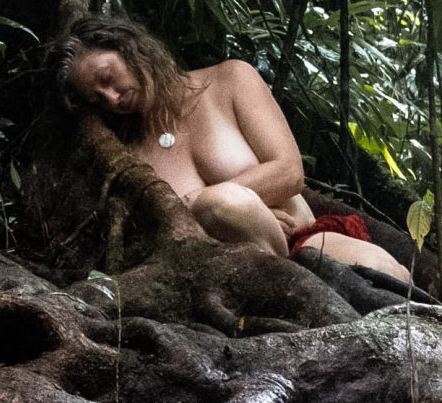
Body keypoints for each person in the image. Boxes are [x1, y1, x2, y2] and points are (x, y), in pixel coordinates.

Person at [53, 14, 412, 284]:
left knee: (387, 273)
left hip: (303, 242)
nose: (113, 98)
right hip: (221, 276)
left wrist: (216, 204)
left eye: (107, 77)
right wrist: (226, 211)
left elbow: (289, 172)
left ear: (128, 47)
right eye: (98, 99)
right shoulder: (124, 152)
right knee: (224, 204)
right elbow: (156, 233)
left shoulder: (229, 79)